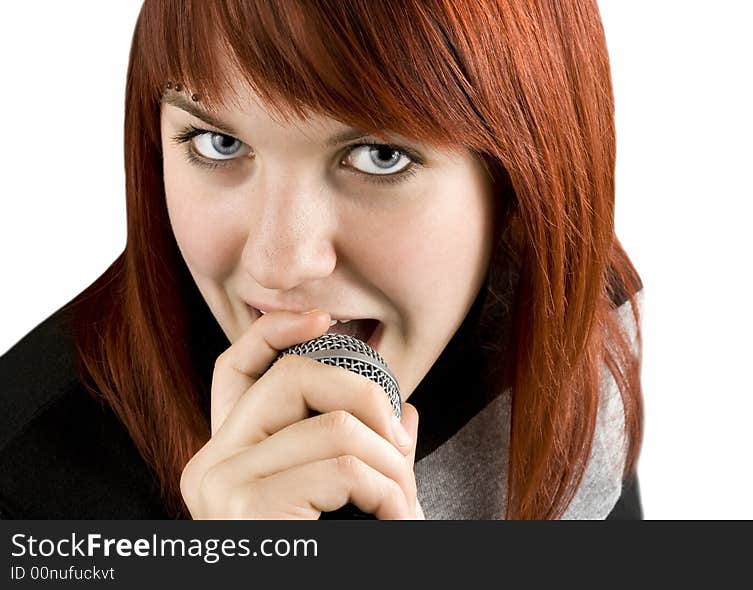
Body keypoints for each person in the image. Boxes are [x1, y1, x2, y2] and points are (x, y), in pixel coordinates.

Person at [0, 0, 645, 520]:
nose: (279, 264)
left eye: (378, 156)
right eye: (219, 142)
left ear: (519, 179)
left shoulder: (575, 340)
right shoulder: (31, 483)